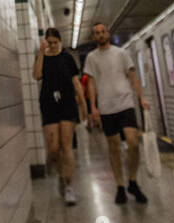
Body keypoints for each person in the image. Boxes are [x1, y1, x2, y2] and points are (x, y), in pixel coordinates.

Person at [84, 22, 151, 204]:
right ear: (94, 37)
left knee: (133, 142)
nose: (100, 35)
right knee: (113, 147)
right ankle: (120, 186)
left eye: (103, 31)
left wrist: (141, 98)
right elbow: (91, 83)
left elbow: (133, 78)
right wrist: (93, 108)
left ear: (108, 34)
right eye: (97, 33)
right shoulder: (91, 57)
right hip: (106, 107)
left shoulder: (121, 53)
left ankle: (133, 181)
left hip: (125, 103)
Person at [33, 28, 88, 205]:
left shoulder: (67, 58)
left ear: (60, 41)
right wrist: (41, 53)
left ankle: (69, 186)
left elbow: (76, 82)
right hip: (49, 105)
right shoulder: (42, 57)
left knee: (67, 146)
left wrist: (84, 104)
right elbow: (37, 75)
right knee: (53, 149)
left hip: (67, 104)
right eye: (49, 43)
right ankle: (61, 175)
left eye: (55, 42)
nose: (53, 46)